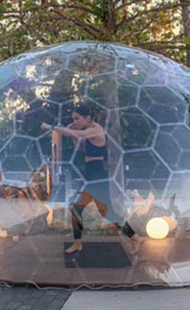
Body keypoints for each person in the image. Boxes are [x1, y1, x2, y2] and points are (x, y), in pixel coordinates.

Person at [53, 102, 133, 254]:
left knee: (105, 213)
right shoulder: (89, 132)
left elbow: (76, 134)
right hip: (91, 175)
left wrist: (52, 128)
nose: (75, 122)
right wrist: (73, 133)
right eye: (74, 119)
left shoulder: (96, 130)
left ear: (87, 118)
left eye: (77, 119)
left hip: (97, 177)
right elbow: (80, 147)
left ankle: (135, 238)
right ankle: (78, 243)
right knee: (81, 210)